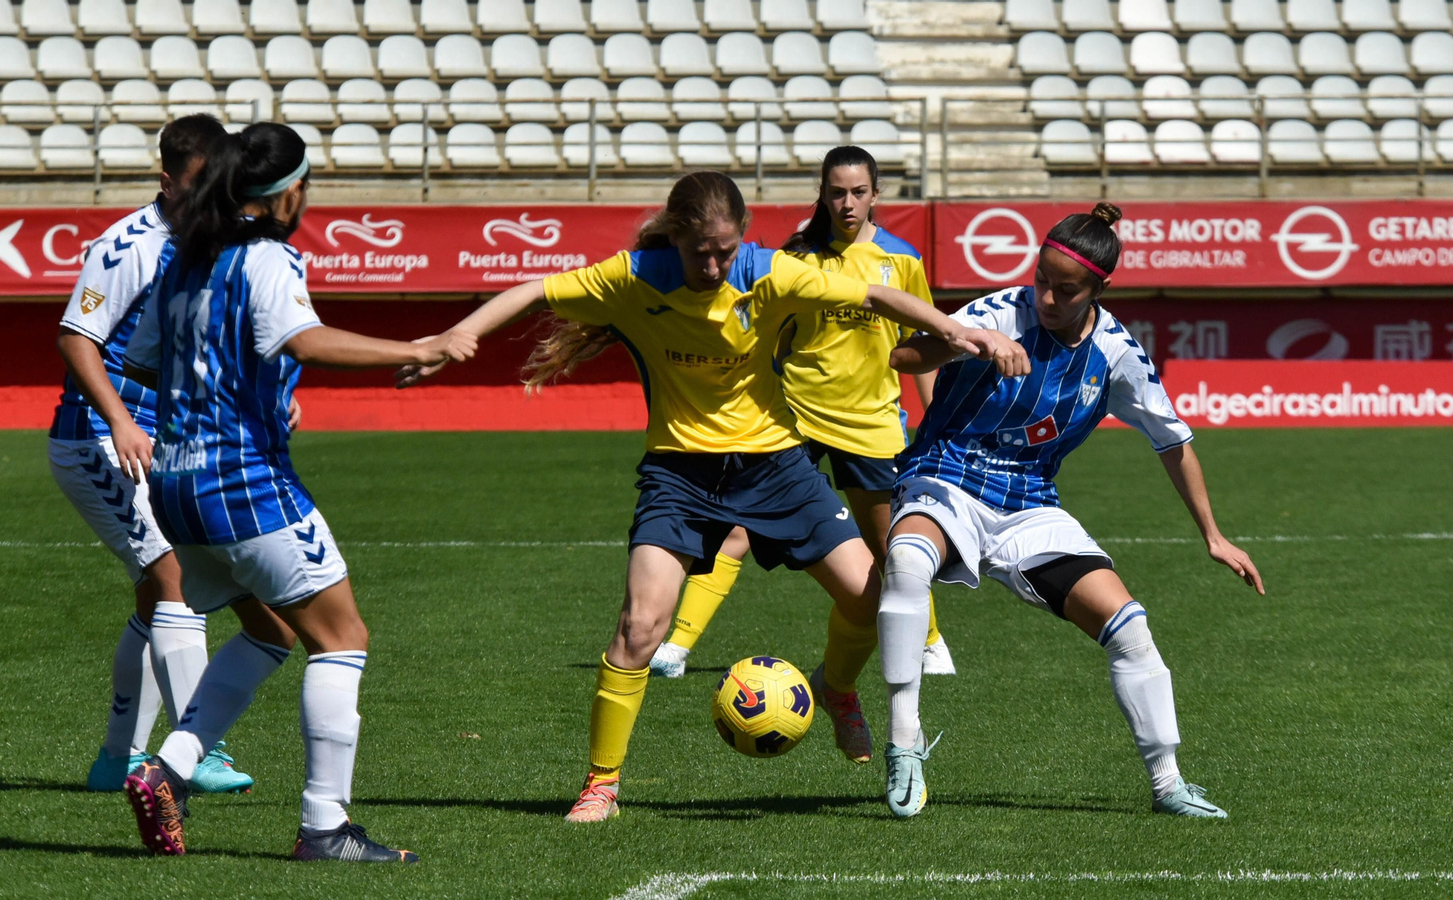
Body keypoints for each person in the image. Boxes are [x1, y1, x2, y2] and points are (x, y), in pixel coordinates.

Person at [397, 171, 1019, 823]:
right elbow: (533, 291)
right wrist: (448, 340)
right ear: (676, 239)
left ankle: (835, 692)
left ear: (741, 238)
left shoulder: (770, 272)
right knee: (640, 627)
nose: (715, 264)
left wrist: (962, 333)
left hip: (776, 467)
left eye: (725, 249)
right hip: (679, 476)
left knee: (874, 595)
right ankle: (601, 786)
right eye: (702, 252)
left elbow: (875, 294)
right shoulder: (636, 276)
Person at [120, 123, 475, 861]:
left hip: (176, 487)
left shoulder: (183, 261)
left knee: (269, 631)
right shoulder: (268, 257)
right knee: (343, 638)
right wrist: (419, 347)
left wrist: (224, 385)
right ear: (290, 192)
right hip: (242, 482)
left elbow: (146, 363)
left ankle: (169, 768)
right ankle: (325, 828)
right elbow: (301, 340)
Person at [875, 202, 1265, 820]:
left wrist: (1214, 535)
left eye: (1066, 289)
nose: (1047, 297)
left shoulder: (1115, 353)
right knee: (905, 561)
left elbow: (1174, 441)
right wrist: (967, 340)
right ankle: (904, 743)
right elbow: (905, 358)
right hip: (945, 475)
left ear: (1098, 290)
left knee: (1130, 626)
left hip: (1030, 502)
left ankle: (1168, 786)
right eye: (1041, 280)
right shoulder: (1000, 310)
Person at [648, 146, 957, 680]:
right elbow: (776, 337)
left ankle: (929, 639)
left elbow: (920, 345)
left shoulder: (902, 259)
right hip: (797, 415)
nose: (847, 203)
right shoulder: (798, 257)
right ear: (822, 194)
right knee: (737, 529)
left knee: (890, 544)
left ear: (876, 195)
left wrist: (935, 421)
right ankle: (676, 645)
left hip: (872, 422)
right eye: (836, 192)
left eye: (859, 192)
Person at [47, 113, 259, 795]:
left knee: (154, 594)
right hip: (97, 441)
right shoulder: (129, 244)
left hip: (157, 444)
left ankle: (116, 760)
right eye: (199, 187)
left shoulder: (211, 238)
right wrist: (121, 423)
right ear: (166, 181)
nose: (212, 201)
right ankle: (202, 747)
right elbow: (77, 338)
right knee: (174, 577)